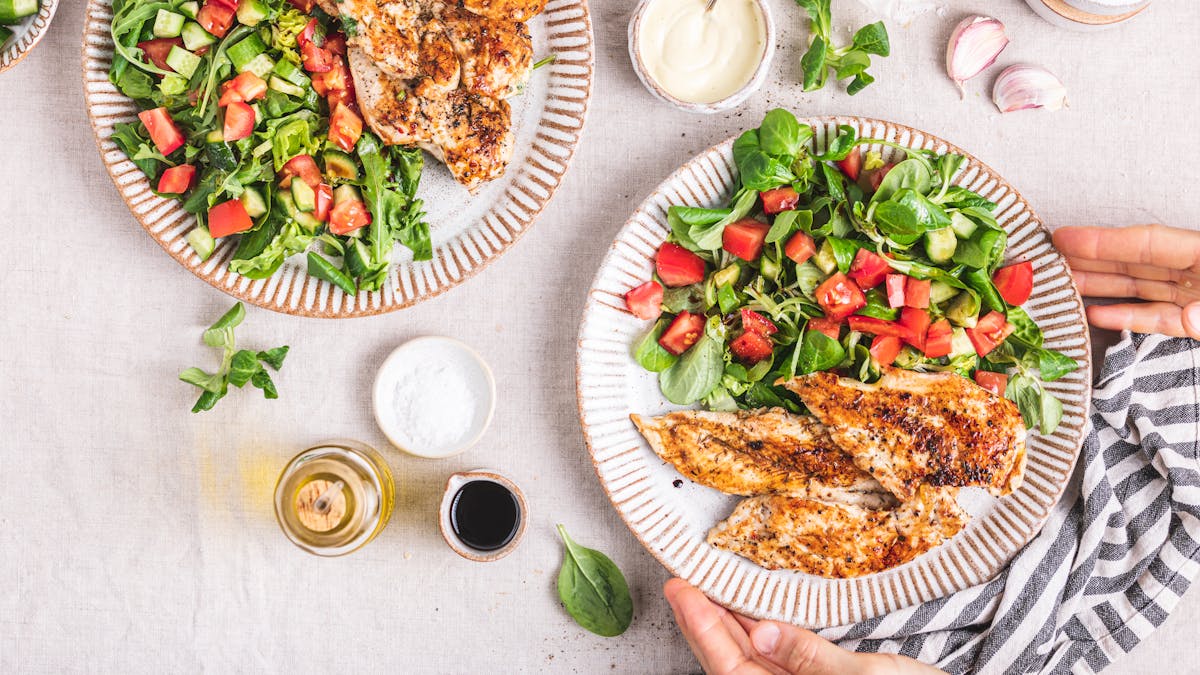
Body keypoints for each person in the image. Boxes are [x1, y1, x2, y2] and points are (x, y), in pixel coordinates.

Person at [664, 224, 1200, 674]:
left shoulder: (968, 469)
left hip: (938, 466)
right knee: (809, 449)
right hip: (913, 472)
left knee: (829, 450)